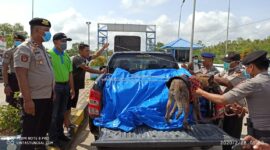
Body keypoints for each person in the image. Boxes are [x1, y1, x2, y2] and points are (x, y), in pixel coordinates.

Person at [196, 50, 270, 143]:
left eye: (247, 67)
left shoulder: (252, 83)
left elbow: (223, 99)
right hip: (260, 128)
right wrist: (245, 109)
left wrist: (200, 92)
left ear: (251, 67)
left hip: (259, 132)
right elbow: (262, 106)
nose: (246, 70)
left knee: (231, 141)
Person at [14, 18, 54, 150]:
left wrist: (52, 93)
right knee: (30, 136)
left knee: (42, 131)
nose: (48, 33)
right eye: (46, 31)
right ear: (37, 30)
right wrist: (27, 100)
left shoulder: (42, 48)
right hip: (34, 99)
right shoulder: (24, 48)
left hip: (46, 97)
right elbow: (21, 75)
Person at [64, 43, 108, 135]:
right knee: (67, 106)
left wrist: (103, 48)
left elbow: (96, 55)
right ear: (80, 51)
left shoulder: (85, 58)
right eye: (86, 51)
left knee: (70, 106)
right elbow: (86, 68)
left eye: (88, 50)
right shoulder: (77, 59)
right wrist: (100, 72)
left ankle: (68, 123)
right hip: (70, 85)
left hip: (76, 86)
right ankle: (66, 125)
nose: (88, 52)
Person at [215, 52, 248, 150]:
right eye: (225, 61)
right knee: (225, 136)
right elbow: (216, 76)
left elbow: (227, 82)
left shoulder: (240, 73)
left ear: (237, 62)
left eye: (228, 62)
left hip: (236, 110)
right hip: (226, 108)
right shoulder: (226, 71)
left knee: (233, 137)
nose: (226, 63)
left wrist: (210, 77)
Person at [48, 33, 75, 148]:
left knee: (61, 113)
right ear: (55, 42)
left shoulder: (66, 56)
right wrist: (51, 89)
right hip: (55, 87)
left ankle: (60, 134)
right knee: (53, 114)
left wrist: (72, 88)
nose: (65, 43)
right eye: (63, 41)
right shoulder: (49, 54)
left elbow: (70, 73)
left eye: (66, 41)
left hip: (65, 87)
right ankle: (53, 138)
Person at [3, 32, 25, 108]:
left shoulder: (27, 51)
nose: (17, 41)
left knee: (24, 101)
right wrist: (6, 85)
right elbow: (4, 68)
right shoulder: (9, 51)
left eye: (19, 40)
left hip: (25, 78)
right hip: (14, 79)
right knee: (13, 103)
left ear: (23, 41)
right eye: (15, 39)